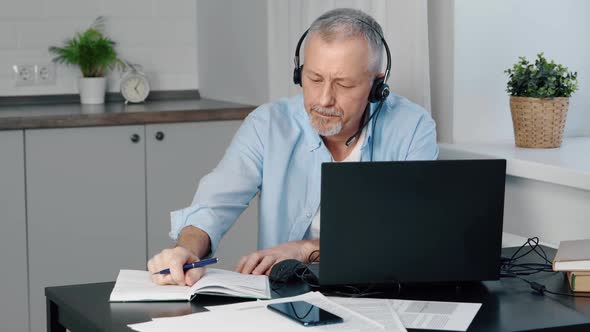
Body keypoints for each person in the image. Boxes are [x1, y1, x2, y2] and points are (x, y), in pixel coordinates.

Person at [148, 8, 438, 286]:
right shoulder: (268, 124)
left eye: (344, 85)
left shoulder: (412, 128)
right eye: (313, 79)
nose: (324, 99)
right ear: (300, 73)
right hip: (283, 295)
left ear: (377, 86)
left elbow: (408, 237)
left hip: (380, 290)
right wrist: (187, 248)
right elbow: (213, 205)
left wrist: (304, 251)